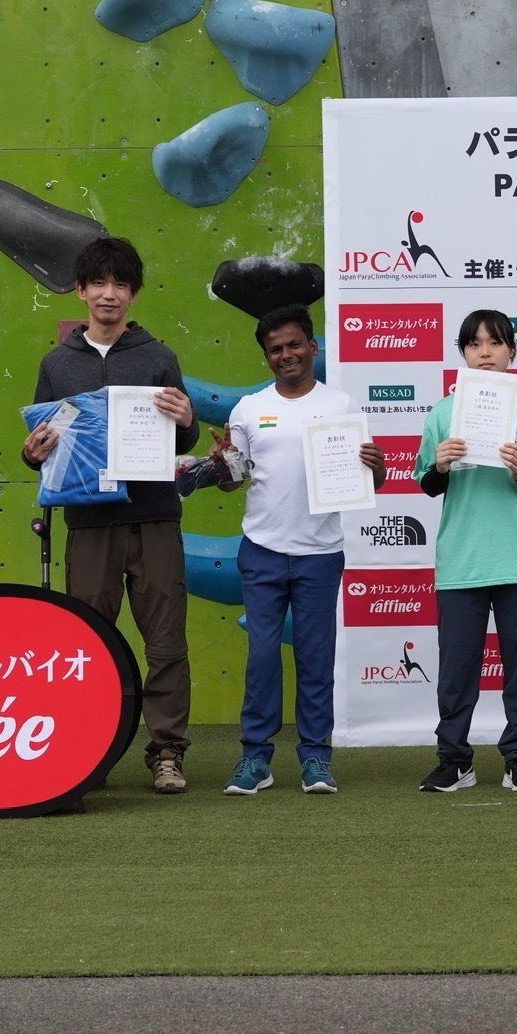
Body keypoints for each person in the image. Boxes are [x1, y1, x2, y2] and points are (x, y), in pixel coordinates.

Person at [20, 237, 199, 794]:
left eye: (121, 284)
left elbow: (182, 440)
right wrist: (32, 453)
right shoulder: (57, 364)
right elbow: (43, 443)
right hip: (88, 523)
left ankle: (166, 750)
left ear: (134, 294)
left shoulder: (158, 357)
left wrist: (187, 419)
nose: (109, 294)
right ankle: (85, 750)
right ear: (80, 290)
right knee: (87, 642)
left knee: (165, 639)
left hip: (154, 518)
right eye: (98, 282)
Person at [212, 305, 385, 797]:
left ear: (312, 346)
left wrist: (377, 466)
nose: (285, 355)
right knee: (263, 657)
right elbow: (232, 481)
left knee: (315, 657)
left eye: (293, 345)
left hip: (320, 554)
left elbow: (370, 481)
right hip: (262, 550)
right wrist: (223, 464)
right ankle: (255, 759)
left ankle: (315, 758)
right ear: (266, 356)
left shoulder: (342, 407)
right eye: (275, 349)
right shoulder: (248, 409)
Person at [415, 309, 517, 793]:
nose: (485, 352)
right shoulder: (443, 413)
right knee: (456, 669)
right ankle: (454, 760)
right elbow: (427, 485)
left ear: (512, 351)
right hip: (463, 561)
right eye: (474, 344)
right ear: (462, 352)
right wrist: (440, 465)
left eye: (496, 342)